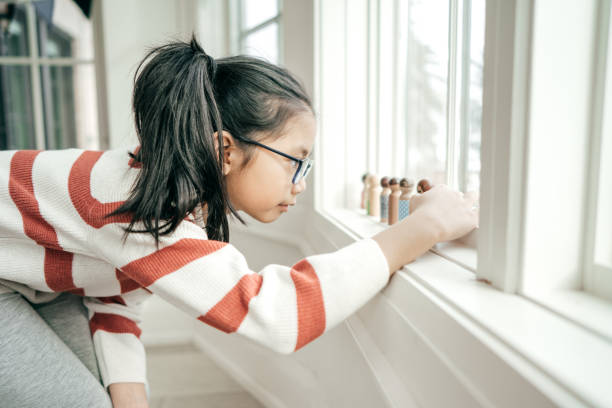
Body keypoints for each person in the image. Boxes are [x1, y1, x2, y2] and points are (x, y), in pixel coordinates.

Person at [0, 36, 478, 408]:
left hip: (28, 284)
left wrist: (132, 396)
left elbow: (115, 293)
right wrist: (422, 228)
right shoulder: (143, 209)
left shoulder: (165, 192)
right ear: (225, 150)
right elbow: (279, 315)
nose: (301, 183)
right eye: (295, 160)